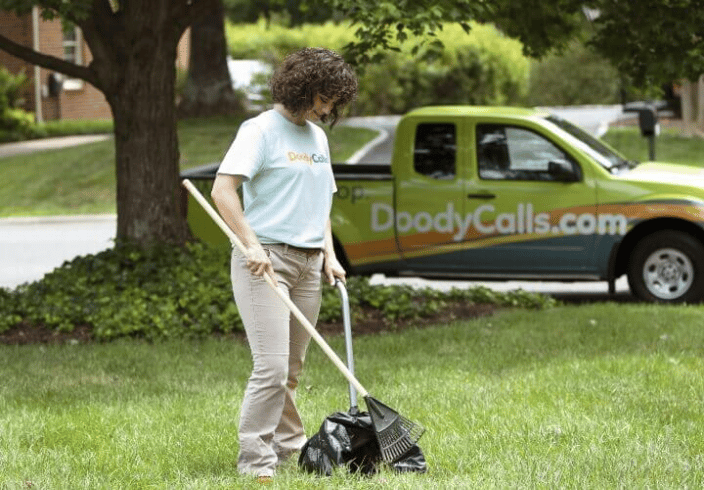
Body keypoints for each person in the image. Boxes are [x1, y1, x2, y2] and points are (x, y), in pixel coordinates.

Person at [210, 47, 358, 482]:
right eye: (325, 97)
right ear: (303, 87)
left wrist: (330, 255)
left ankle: (289, 448)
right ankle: (256, 461)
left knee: (291, 371)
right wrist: (250, 245)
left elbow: (321, 203)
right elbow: (223, 191)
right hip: (266, 262)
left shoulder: (317, 137)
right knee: (271, 367)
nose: (329, 108)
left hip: (310, 264)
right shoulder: (259, 130)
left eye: (334, 100)